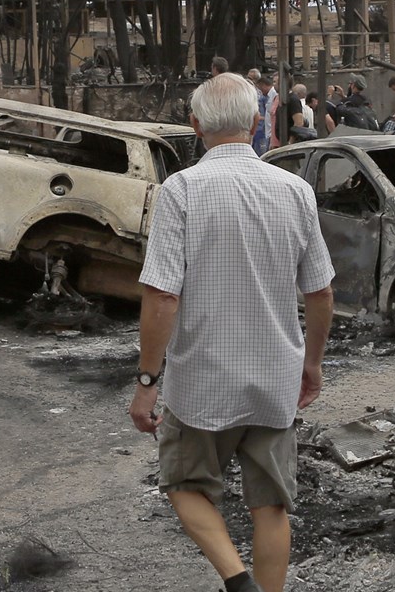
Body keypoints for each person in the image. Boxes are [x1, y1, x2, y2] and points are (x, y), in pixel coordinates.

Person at [130, 72, 336, 592]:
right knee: (271, 505)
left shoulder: (181, 191)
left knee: (183, 483)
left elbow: (161, 296)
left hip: (201, 384)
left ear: (194, 124)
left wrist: (147, 382)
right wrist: (311, 365)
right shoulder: (295, 191)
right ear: (255, 120)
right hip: (274, 380)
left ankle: (235, 580)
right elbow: (320, 294)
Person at [250, 73, 278, 154]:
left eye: (260, 88)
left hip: (270, 133)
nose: (261, 92)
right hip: (268, 132)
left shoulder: (274, 95)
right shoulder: (267, 97)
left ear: (263, 85)